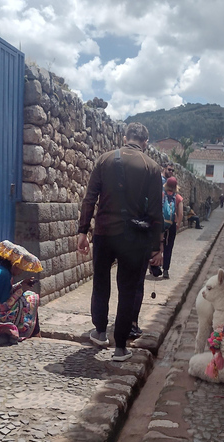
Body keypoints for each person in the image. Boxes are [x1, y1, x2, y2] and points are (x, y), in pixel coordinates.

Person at [77, 122, 163, 362]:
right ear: (145, 143)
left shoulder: (105, 160)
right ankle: (121, 347)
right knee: (128, 289)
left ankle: (100, 331)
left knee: (101, 281)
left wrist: (83, 231)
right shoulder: (152, 167)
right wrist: (157, 247)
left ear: (125, 137)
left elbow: (89, 198)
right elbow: (156, 210)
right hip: (134, 238)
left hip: (104, 233)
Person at [161, 176, 184, 279]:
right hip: (171, 225)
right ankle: (165, 270)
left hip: (160, 224)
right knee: (168, 246)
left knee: (158, 243)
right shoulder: (178, 197)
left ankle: (154, 266)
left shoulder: (161, 194)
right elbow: (181, 213)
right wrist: (178, 224)